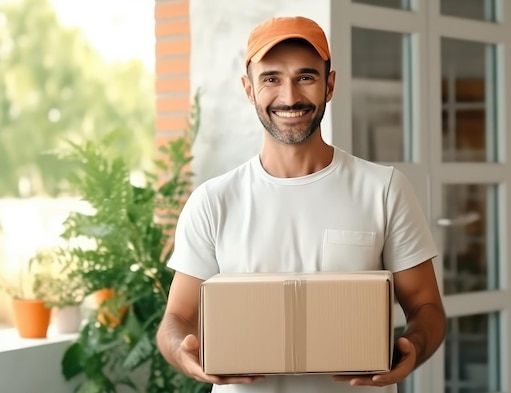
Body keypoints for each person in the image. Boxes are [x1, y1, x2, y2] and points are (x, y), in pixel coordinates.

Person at [156, 15, 446, 393]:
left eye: (305, 77)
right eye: (271, 79)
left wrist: (415, 347)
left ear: (329, 84)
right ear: (248, 89)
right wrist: (184, 352)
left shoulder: (384, 189)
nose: (289, 97)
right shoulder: (213, 201)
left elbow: (427, 308)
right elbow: (176, 319)